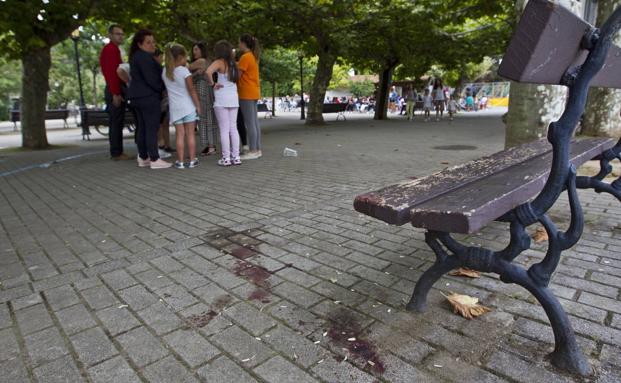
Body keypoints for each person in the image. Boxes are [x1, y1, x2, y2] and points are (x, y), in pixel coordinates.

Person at [127, 29, 171, 169]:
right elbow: (152, 80)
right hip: (148, 97)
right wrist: (162, 89)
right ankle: (154, 158)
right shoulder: (145, 58)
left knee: (142, 128)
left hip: (137, 97)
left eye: (153, 42)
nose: (153, 45)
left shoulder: (136, 57)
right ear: (140, 44)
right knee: (151, 128)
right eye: (148, 42)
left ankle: (144, 157)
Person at [162, 43, 201, 169]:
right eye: (185, 57)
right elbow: (191, 90)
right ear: (180, 57)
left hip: (175, 108)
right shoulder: (184, 71)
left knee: (179, 135)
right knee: (190, 134)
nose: (187, 60)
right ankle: (192, 160)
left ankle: (180, 161)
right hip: (188, 107)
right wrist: (198, 106)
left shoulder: (165, 72)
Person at [206, 40, 242, 166]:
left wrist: (213, 84)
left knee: (224, 129)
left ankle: (226, 158)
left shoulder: (219, 62)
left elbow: (208, 72)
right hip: (233, 98)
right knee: (233, 128)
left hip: (222, 98)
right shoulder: (234, 64)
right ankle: (236, 157)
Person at [100, 24, 129, 160]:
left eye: (122, 34)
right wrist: (116, 93)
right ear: (110, 35)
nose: (120, 36)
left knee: (117, 121)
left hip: (115, 89)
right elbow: (112, 73)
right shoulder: (110, 50)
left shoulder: (113, 49)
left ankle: (117, 151)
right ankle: (116, 152)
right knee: (116, 122)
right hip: (114, 90)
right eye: (118, 34)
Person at [189, 41, 219, 156]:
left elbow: (187, 68)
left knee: (205, 119)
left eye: (196, 49)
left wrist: (194, 73)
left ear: (202, 50)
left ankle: (210, 146)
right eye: (193, 49)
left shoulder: (201, 61)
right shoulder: (207, 61)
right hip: (206, 92)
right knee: (207, 118)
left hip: (203, 93)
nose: (194, 51)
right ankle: (210, 145)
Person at [237, 33, 262, 160]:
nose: (238, 44)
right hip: (254, 91)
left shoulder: (245, 57)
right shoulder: (253, 56)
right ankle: (257, 149)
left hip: (245, 92)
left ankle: (252, 150)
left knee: (250, 123)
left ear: (243, 43)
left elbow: (237, 76)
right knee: (254, 122)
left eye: (239, 42)